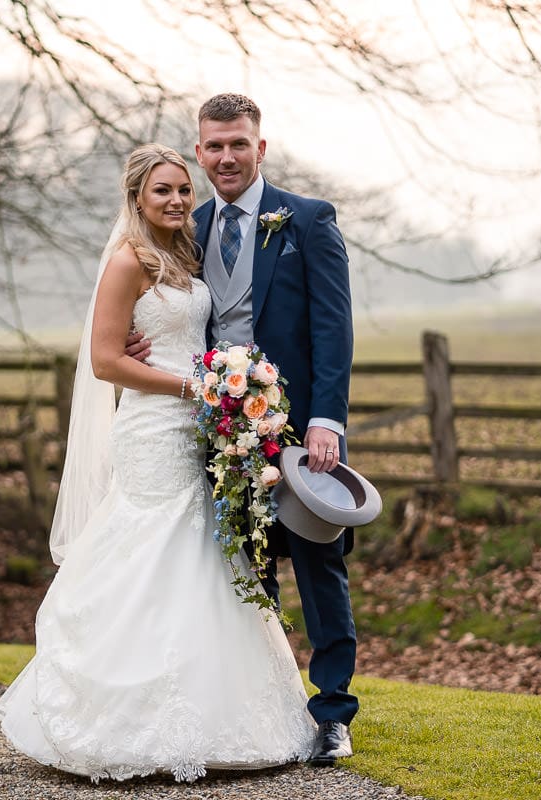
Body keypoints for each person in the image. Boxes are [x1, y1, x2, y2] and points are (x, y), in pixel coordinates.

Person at [0, 143, 315, 783]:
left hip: (195, 425)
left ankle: (209, 713)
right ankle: (120, 715)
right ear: (137, 198)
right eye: (162, 190)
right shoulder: (127, 262)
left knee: (198, 550)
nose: (175, 199)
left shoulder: (185, 258)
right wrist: (193, 387)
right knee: (149, 544)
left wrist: (219, 388)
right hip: (151, 425)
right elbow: (108, 361)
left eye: (182, 190)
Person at [128, 93, 358, 766]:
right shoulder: (186, 227)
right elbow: (165, 307)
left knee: (320, 566)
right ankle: (269, 708)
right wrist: (141, 343)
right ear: (200, 153)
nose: (226, 157)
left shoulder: (308, 221)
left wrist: (325, 421)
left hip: (298, 433)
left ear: (260, 149)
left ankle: (335, 714)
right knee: (244, 572)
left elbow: (332, 328)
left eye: (238, 144)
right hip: (219, 431)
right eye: (214, 146)